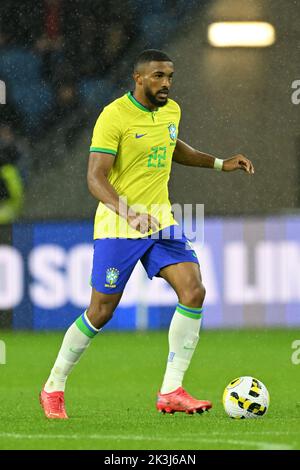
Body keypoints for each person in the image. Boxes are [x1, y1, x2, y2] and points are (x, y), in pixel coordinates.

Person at [40, 49, 254, 419]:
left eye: (169, 76)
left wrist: (220, 163)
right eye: (157, 76)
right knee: (101, 311)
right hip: (119, 226)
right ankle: (54, 386)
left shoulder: (172, 111)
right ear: (138, 78)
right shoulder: (114, 115)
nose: (166, 83)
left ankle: (171, 389)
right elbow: (95, 177)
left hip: (162, 221)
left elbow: (171, 146)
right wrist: (127, 212)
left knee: (194, 290)